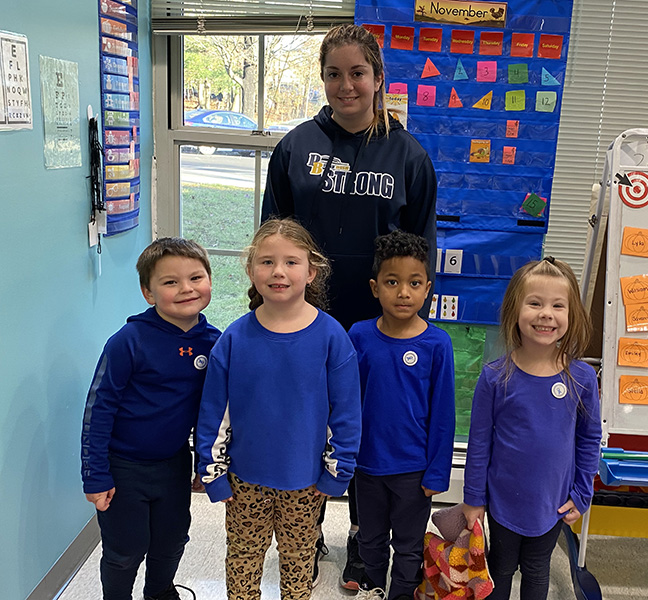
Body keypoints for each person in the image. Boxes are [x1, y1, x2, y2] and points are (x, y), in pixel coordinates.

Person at [260, 23, 438, 589]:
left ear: (379, 78)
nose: (346, 85)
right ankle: (302, 538)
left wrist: (408, 314)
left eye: (357, 73)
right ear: (323, 78)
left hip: (376, 324)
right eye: (334, 74)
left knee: (366, 432)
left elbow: (419, 251)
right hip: (302, 317)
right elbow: (273, 234)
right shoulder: (295, 148)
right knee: (306, 428)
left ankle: (366, 547)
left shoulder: (408, 156)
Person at [194, 217, 361, 600]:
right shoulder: (234, 338)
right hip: (243, 483)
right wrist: (214, 474)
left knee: (299, 566)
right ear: (251, 270)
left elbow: (346, 414)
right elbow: (214, 416)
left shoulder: (333, 337)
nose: (278, 271)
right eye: (267, 261)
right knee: (243, 563)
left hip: (306, 483)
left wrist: (336, 475)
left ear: (311, 271)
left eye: (290, 261)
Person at [81, 238, 220, 600]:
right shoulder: (129, 341)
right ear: (148, 292)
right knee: (125, 550)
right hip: (123, 467)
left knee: (172, 540)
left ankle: (159, 592)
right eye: (170, 282)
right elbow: (98, 409)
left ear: (209, 280)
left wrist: (207, 464)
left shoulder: (215, 343)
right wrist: (95, 474)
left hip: (173, 464)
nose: (186, 288)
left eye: (195, 277)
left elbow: (214, 412)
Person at [462, 257, 601, 600]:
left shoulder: (581, 378)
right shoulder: (495, 376)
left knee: (537, 570)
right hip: (503, 502)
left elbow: (589, 440)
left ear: (571, 315)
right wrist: (473, 499)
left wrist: (582, 494)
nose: (546, 314)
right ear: (515, 310)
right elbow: (479, 442)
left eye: (557, 305)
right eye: (535, 303)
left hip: (552, 503)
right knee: (500, 568)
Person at [348, 231, 455, 600]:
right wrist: (343, 456)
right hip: (367, 466)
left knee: (408, 545)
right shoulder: (359, 336)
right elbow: (346, 403)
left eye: (414, 283)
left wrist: (438, 470)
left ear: (427, 289)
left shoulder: (437, 343)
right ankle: (373, 588)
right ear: (375, 287)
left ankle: (401, 594)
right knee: (370, 539)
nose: (403, 292)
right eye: (392, 282)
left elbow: (443, 413)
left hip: (414, 471)